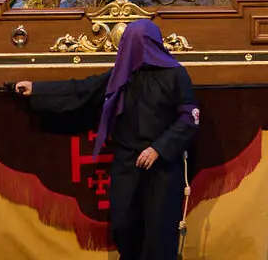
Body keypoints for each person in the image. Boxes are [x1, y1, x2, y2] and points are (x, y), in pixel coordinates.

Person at [13, 19, 197, 260]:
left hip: (161, 165)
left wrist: (158, 149)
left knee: (159, 233)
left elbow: (189, 118)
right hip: (127, 163)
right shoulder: (122, 74)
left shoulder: (175, 74)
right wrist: (37, 89)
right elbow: (82, 90)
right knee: (123, 225)